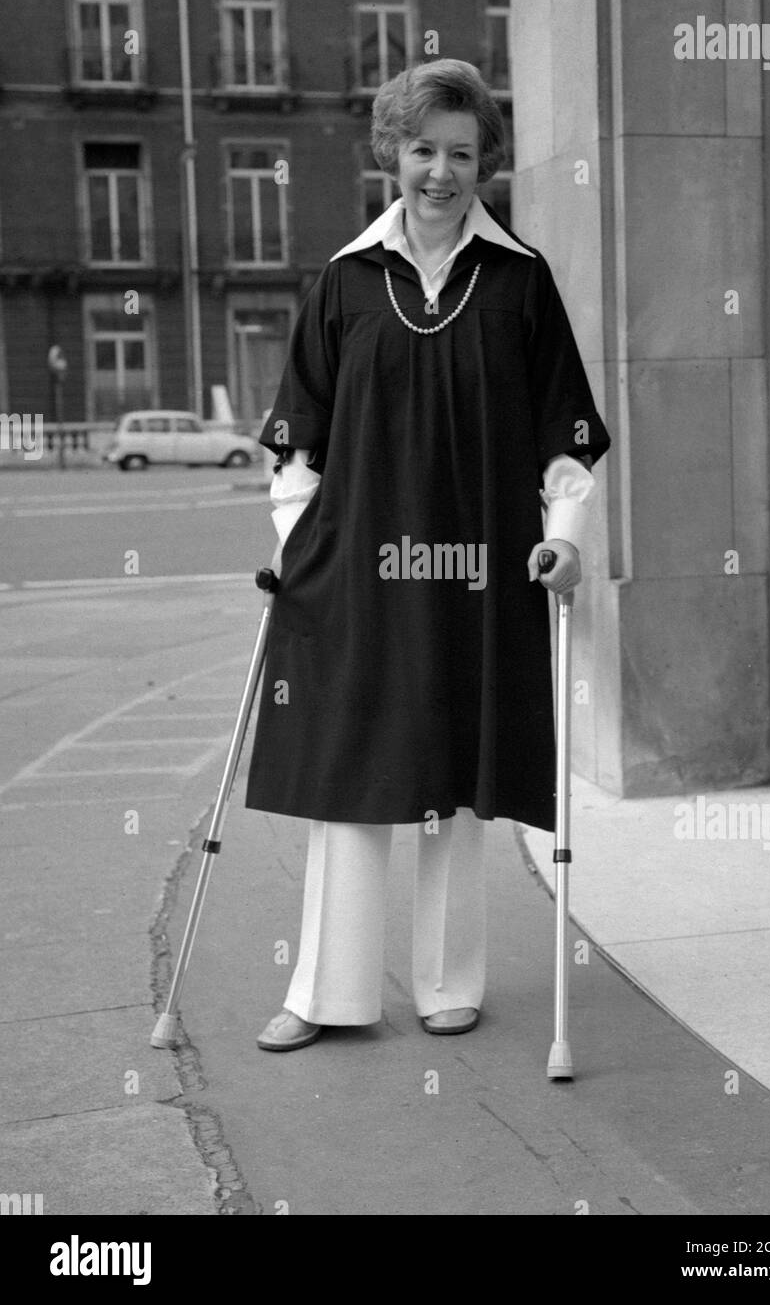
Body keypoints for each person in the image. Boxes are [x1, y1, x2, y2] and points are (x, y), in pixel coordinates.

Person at [244, 59, 611, 1051]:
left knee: (456, 774)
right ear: (388, 155)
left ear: (484, 161)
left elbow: (565, 439)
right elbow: (295, 445)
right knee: (349, 770)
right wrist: (299, 548)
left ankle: (451, 983)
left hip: (479, 567)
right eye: (420, 150)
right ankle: (327, 992)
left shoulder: (520, 283)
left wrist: (562, 544)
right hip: (356, 568)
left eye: (460, 153)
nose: (439, 173)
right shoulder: (343, 283)